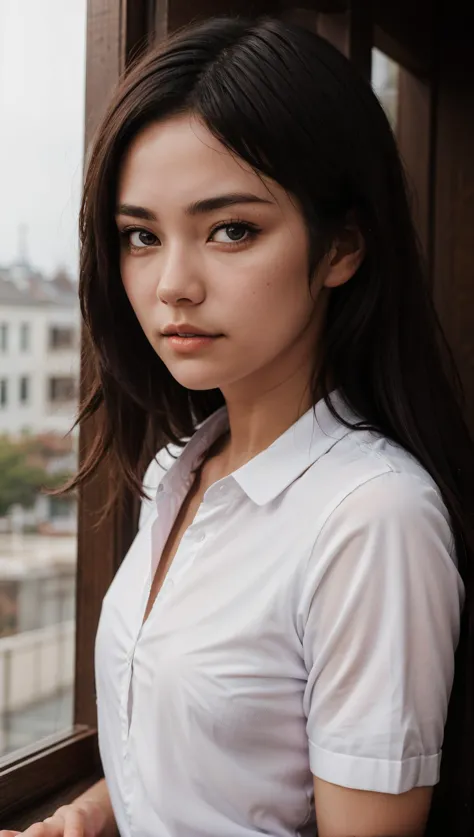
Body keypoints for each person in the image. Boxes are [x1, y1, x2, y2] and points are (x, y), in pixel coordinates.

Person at [3, 14, 474, 837]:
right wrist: (90, 813)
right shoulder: (182, 466)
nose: (172, 284)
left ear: (342, 249)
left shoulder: (371, 516)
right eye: (141, 236)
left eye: (231, 230)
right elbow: (221, 746)